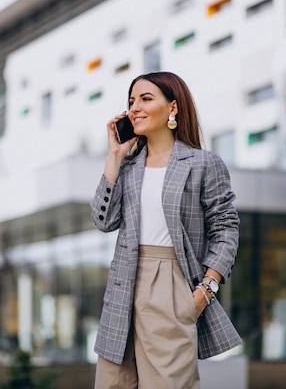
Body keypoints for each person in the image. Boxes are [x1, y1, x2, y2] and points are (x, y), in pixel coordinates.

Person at [90, 72, 241, 388]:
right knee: (113, 383)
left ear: (173, 108)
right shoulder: (128, 167)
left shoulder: (202, 163)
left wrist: (206, 289)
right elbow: (103, 221)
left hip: (172, 285)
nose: (135, 108)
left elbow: (226, 228)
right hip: (122, 287)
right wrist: (114, 157)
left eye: (146, 99)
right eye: (131, 101)